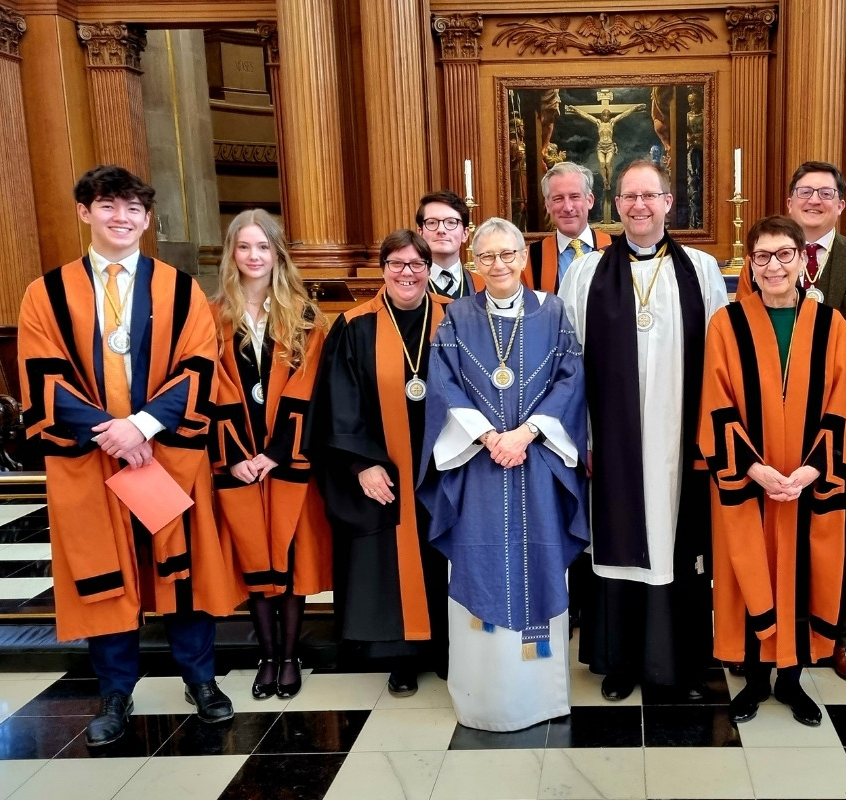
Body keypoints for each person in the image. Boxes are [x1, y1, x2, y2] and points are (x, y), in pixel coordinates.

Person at [17, 165, 237, 746]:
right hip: (90, 459)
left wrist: (140, 426)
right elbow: (41, 376)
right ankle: (115, 691)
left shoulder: (180, 288)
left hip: (165, 456)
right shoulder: (47, 293)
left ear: (147, 219)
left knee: (182, 571)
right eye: (108, 206)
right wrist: (108, 431)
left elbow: (200, 366)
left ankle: (202, 680)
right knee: (104, 575)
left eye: (134, 209)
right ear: (85, 212)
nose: (122, 218)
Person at [560, 159, 728, 701]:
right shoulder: (584, 274)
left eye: (649, 196)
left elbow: (720, 366)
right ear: (615, 204)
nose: (638, 205)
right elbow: (569, 363)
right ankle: (620, 661)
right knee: (619, 540)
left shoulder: (701, 270)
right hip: (610, 442)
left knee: (677, 544)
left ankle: (675, 658)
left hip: (680, 441)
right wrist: (581, 438)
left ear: (668, 201)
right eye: (629, 196)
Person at [418, 217, 588, 731]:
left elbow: (571, 376)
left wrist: (528, 433)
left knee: (540, 562)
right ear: (474, 263)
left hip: (534, 464)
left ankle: (538, 697)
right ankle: (483, 697)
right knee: (478, 563)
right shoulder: (456, 319)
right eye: (487, 257)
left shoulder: (553, 312)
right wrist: (490, 437)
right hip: (479, 469)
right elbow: (443, 384)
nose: (499, 265)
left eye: (507, 254)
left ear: (523, 257)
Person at [701, 215, 846, 725]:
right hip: (751, 482)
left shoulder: (830, 324)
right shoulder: (726, 323)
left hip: (806, 483)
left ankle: (793, 680)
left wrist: (811, 471)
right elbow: (716, 403)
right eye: (763, 256)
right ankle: (752, 679)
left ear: (802, 260)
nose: (773, 265)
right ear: (750, 263)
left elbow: (842, 401)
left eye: (784, 255)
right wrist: (757, 470)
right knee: (748, 572)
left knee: (802, 573)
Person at [736, 162, 846, 683]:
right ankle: (767, 640)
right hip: (766, 433)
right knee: (771, 539)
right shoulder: (762, 260)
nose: (813, 200)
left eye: (824, 193)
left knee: (833, 539)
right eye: (803, 192)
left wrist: (826, 408)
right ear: (789, 200)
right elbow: (746, 340)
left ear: (841, 203)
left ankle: (836, 638)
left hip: (837, 428)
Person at [304, 230, 450, 697]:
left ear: (430, 268)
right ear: (382, 268)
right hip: (382, 465)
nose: (407, 273)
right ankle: (402, 657)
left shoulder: (455, 317)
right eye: (397, 264)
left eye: (416, 264)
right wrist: (362, 465)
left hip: (447, 464)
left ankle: (448, 649)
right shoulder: (355, 324)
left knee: (445, 553)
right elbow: (339, 402)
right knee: (392, 556)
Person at [209, 209, 332, 700]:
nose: (254, 256)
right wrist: (238, 453)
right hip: (236, 459)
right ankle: (266, 656)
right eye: (244, 247)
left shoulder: (305, 317)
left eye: (263, 247)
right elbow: (209, 388)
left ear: (277, 253)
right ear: (232, 254)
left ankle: (289, 656)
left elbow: (311, 388)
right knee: (253, 553)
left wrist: (278, 452)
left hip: (289, 460)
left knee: (291, 554)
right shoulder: (212, 315)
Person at [522, 162, 613, 294]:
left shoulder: (616, 248)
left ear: (590, 201)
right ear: (547, 205)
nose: (568, 208)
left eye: (574, 196)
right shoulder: (529, 259)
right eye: (558, 199)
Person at [417, 190, 485, 299]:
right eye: (432, 222)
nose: (441, 230)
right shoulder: (406, 287)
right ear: (421, 233)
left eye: (451, 222)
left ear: (465, 234)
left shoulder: (484, 287)